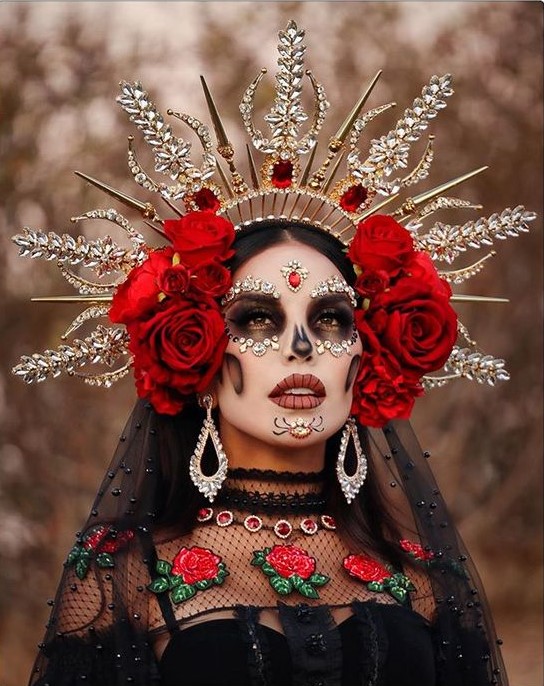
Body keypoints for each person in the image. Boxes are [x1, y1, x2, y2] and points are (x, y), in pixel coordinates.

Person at [15, 20, 534, 686]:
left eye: (331, 319)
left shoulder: (421, 579)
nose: (299, 346)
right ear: (192, 354)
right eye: (257, 319)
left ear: (367, 355)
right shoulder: (126, 580)